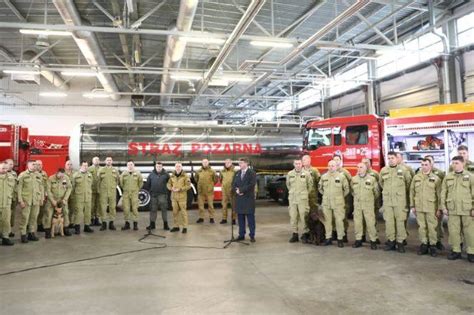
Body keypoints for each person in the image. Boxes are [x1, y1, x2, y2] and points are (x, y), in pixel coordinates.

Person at [440, 156, 474, 262]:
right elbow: (443, 193)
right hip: (452, 209)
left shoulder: (470, 176)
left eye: (457, 163)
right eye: (453, 163)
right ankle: (456, 251)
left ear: (463, 163)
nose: (455, 165)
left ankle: (471, 252)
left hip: (467, 209)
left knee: (469, 232)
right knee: (454, 231)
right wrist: (443, 207)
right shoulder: (448, 177)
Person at [380, 151, 412, 253]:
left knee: (400, 222)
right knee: (389, 222)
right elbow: (381, 183)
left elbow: (408, 184)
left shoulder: (403, 170)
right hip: (388, 201)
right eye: (388, 158)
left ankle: (400, 242)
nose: (390, 160)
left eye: (392, 158)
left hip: (400, 202)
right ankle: (391, 241)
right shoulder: (384, 170)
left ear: (396, 159)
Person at [409, 158, 442, 257]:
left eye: (426, 164)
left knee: (432, 227)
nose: (424, 166)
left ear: (430, 166)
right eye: (422, 165)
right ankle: (424, 244)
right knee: (422, 227)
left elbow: (440, 195)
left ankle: (433, 246)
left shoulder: (436, 179)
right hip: (419, 207)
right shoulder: (416, 178)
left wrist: (439, 208)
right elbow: (412, 192)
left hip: (431, 207)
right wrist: (412, 205)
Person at [319, 160, 350, 248]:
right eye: (329, 165)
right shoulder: (324, 177)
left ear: (336, 166)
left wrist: (339, 197)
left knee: (339, 221)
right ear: (327, 166)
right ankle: (328, 238)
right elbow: (320, 188)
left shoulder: (341, 177)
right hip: (326, 202)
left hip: (338, 203)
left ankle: (340, 238)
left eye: (333, 165)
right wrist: (326, 196)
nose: (331, 167)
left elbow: (346, 189)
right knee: (327, 221)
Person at [351, 162, 380, 250]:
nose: (359, 169)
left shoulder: (372, 179)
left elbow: (376, 192)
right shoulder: (354, 179)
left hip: (368, 204)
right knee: (358, 223)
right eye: (358, 167)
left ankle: (373, 240)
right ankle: (358, 240)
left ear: (366, 169)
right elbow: (352, 191)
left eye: (361, 167)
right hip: (357, 204)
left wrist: (369, 199)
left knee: (370, 223)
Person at [286, 159, 312, 243]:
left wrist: (304, 194)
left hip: (302, 199)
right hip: (293, 198)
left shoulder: (307, 174)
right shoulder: (290, 174)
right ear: (294, 164)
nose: (298, 165)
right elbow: (288, 185)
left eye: (299, 163)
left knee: (304, 216)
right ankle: (295, 234)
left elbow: (310, 186)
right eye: (296, 163)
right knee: (293, 217)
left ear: (302, 164)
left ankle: (305, 234)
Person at [17, 160, 43, 243]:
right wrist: (20, 201)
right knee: (25, 218)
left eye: (35, 164)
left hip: (36, 200)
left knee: (33, 218)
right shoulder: (23, 175)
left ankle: (31, 233)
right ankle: (23, 234)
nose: (34, 166)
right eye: (33, 164)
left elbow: (41, 188)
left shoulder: (38, 175)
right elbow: (18, 189)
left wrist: (41, 199)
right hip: (26, 201)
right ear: (28, 165)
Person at [232, 158, 257, 242]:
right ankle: (241, 235)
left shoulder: (252, 173)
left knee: (250, 220)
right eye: (239, 163)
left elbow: (251, 184)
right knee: (240, 219)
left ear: (246, 163)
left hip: (248, 199)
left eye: (241, 163)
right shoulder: (237, 173)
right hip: (239, 199)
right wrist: (236, 190)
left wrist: (241, 190)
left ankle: (252, 235)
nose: (240, 164)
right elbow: (233, 184)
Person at [425, 155, 445, 250]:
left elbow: (442, 189)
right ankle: (429, 241)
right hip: (426, 204)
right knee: (426, 224)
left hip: (435, 204)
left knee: (438, 224)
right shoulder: (420, 173)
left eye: (430, 160)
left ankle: (438, 241)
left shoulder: (440, 173)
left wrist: (440, 206)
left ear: (433, 162)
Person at [44, 168, 72, 238]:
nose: (62, 177)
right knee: (49, 214)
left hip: (62, 199)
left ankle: (65, 229)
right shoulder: (51, 178)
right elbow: (48, 190)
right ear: (57, 173)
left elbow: (69, 188)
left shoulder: (66, 178)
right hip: (52, 199)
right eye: (60, 175)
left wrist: (65, 199)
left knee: (65, 212)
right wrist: (52, 200)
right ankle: (48, 231)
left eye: (63, 175)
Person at [145, 161, 170, 231]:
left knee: (164, 210)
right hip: (153, 196)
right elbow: (148, 184)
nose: (158, 168)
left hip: (163, 195)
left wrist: (165, 192)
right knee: (153, 210)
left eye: (160, 167)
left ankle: (165, 225)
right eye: (157, 166)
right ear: (155, 167)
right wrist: (152, 191)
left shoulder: (166, 175)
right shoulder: (151, 174)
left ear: (162, 167)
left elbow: (170, 184)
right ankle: (152, 225)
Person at [167, 163, 191, 233]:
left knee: (183, 212)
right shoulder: (172, 176)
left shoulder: (185, 176)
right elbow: (168, 184)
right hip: (174, 197)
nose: (178, 168)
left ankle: (185, 227)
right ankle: (176, 226)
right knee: (175, 212)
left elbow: (188, 186)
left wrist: (180, 189)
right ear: (175, 167)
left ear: (181, 167)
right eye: (176, 166)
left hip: (182, 198)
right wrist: (171, 188)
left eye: (179, 166)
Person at [332, 154, 352, 242]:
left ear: (340, 161)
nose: (336, 161)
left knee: (343, 217)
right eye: (334, 160)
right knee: (333, 216)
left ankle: (344, 234)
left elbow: (350, 184)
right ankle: (335, 233)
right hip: (333, 200)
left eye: (337, 160)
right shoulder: (330, 172)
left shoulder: (345, 172)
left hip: (344, 199)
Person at [71, 162, 94, 234]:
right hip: (79, 197)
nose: (86, 167)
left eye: (87, 165)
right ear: (80, 166)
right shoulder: (75, 175)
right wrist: (72, 197)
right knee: (78, 213)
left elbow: (91, 185)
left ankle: (87, 226)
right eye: (84, 165)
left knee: (88, 212)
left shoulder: (90, 175)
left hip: (88, 197)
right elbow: (72, 187)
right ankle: (77, 227)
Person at [120, 160, 143, 231]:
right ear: (127, 166)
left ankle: (135, 224)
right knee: (126, 209)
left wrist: (136, 190)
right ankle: (127, 224)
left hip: (134, 194)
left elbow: (140, 183)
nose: (130, 166)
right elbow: (121, 183)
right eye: (128, 165)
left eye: (131, 164)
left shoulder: (138, 173)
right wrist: (125, 189)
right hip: (126, 193)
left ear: (134, 165)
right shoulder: (124, 173)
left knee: (134, 209)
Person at [97, 157, 119, 231]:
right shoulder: (101, 170)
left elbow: (117, 180)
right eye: (107, 160)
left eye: (110, 160)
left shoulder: (115, 170)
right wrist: (99, 190)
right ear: (105, 161)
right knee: (103, 208)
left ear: (112, 161)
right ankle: (104, 223)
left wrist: (113, 187)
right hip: (103, 192)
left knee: (112, 207)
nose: (109, 161)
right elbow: (98, 181)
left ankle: (111, 223)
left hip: (112, 192)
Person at [195, 159, 218, 224]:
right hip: (201, 191)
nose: (205, 163)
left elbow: (215, 180)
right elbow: (196, 179)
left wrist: (210, 186)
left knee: (210, 205)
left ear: (208, 163)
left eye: (206, 162)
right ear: (202, 163)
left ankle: (211, 218)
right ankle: (201, 218)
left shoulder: (212, 171)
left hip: (209, 191)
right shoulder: (198, 171)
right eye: (203, 162)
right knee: (200, 206)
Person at [0, 161, 16, 246]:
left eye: (6, 168)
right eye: (2, 168)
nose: (4, 170)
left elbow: (13, 190)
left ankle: (5, 237)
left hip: (6, 203)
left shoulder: (11, 177)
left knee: (6, 221)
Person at [220, 158, 236, 225]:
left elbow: (237, 181)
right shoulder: (222, 171)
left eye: (228, 162)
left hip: (232, 191)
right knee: (224, 205)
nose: (227, 164)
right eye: (226, 163)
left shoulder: (235, 171)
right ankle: (224, 219)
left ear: (231, 163)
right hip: (224, 191)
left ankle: (233, 219)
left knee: (234, 206)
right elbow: (221, 180)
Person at [35, 160, 48, 233]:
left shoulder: (44, 173)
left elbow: (46, 184)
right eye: (38, 164)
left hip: (42, 196)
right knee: (34, 212)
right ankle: (29, 226)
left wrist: (46, 194)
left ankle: (39, 225)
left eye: (40, 164)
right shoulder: (33, 173)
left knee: (41, 211)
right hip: (36, 196)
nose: (39, 166)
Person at [5, 159, 17, 238]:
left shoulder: (14, 174)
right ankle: (5, 231)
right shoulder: (2, 173)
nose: (11, 166)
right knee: (6, 215)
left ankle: (9, 230)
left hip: (13, 197)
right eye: (9, 164)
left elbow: (16, 185)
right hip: (5, 198)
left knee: (12, 215)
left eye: (12, 164)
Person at [88, 156, 101, 226]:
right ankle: (91, 219)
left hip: (99, 190)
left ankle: (97, 219)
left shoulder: (102, 169)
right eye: (95, 160)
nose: (97, 161)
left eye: (98, 160)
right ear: (92, 161)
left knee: (98, 205)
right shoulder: (89, 169)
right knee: (91, 205)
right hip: (92, 190)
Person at [64, 160, 75, 226]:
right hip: (65, 194)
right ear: (65, 165)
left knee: (72, 209)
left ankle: (71, 222)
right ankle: (66, 223)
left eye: (71, 164)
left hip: (73, 194)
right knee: (65, 209)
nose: (69, 166)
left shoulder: (75, 173)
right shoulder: (63, 173)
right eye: (68, 164)